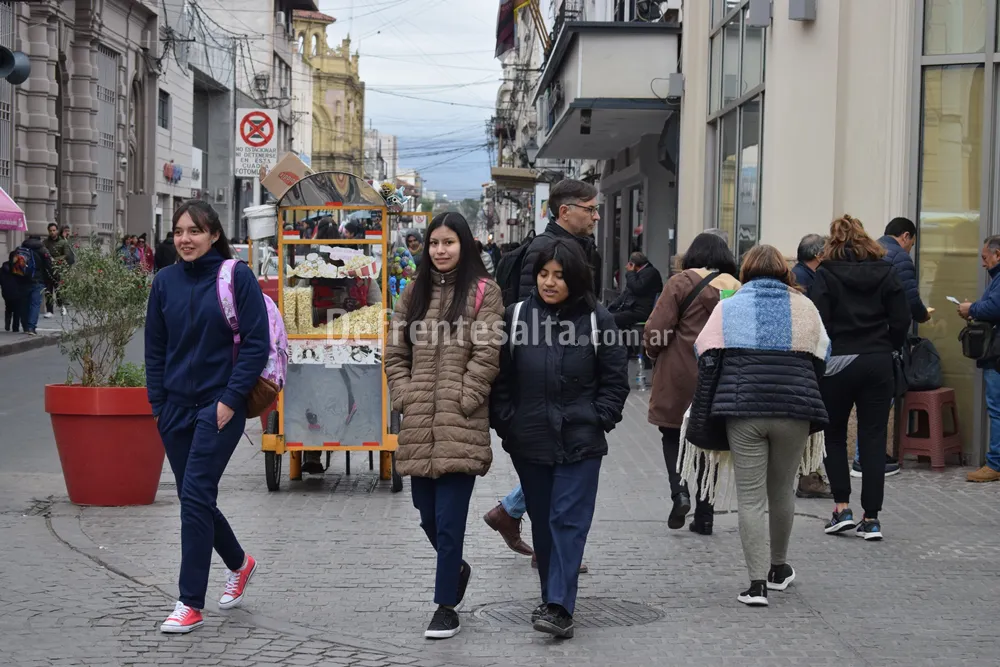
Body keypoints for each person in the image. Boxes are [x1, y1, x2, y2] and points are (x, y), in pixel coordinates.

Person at [490, 239, 629, 638]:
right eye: (544, 274)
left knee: (567, 520)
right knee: (544, 523)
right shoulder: (516, 317)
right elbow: (501, 379)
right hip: (529, 438)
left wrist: (599, 417)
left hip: (581, 439)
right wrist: (508, 423)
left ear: (577, 278)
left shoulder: (600, 321)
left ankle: (558, 606)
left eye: (559, 276)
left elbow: (614, 381)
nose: (549, 282)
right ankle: (552, 597)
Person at [145, 200, 271, 634]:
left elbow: (256, 344)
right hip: (174, 408)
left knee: (196, 495)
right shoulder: (164, 282)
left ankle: (189, 602)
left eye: (194, 231)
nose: (185, 239)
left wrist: (230, 400)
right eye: (178, 232)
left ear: (214, 234)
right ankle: (239, 562)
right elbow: (155, 348)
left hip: (220, 407)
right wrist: (158, 405)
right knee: (194, 498)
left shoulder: (236, 277)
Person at [385, 212, 503, 639]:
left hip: (460, 424)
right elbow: (395, 354)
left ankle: (444, 606)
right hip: (418, 424)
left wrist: (465, 397)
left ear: (465, 245)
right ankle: (456, 568)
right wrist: (404, 396)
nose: (440, 250)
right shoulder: (413, 293)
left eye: (449, 242)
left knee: (450, 521)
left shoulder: (483, 292)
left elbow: (488, 354)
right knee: (426, 516)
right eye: (435, 242)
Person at [690, 245, 830, 606]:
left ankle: (755, 586)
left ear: (747, 271)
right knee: (782, 491)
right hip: (794, 409)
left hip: (744, 409)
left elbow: (703, 350)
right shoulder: (805, 307)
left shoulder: (730, 305)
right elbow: (824, 352)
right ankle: (778, 569)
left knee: (750, 498)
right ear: (785, 271)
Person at [484, 179, 603, 567]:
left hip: (568, 386)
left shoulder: (580, 248)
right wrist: (510, 414)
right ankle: (549, 551)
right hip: (538, 391)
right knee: (551, 469)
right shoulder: (544, 251)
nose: (597, 215)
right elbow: (527, 321)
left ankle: (531, 531)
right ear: (565, 211)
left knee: (561, 467)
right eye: (590, 208)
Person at [811, 214, 910, 541]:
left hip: (839, 360)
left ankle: (842, 508)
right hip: (877, 360)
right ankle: (872, 518)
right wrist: (887, 346)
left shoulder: (825, 273)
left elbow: (818, 320)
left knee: (834, 434)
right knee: (873, 436)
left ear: (833, 241)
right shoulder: (886, 271)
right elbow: (901, 319)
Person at [643, 232, 741, 536]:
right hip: (720, 377)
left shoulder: (681, 282)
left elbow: (657, 329)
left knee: (672, 435)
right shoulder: (737, 288)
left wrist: (651, 351)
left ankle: (679, 492)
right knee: (707, 443)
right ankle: (705, 515)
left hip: (679, 373)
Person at [959, 236, 1000, 482]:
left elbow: (994, 308)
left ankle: (994, 463)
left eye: (985, 258)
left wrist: (971, 308)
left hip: (996, 355)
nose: (983, 263)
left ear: (998, 255)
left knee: (996, 409)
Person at [608, 251, 663, 329]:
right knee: (609, 316)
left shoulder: (650, 272)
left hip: (641, 311)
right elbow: (625, 294)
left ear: (632, 265)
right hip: (633, 308)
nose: (626, 267)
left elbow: (637, 288)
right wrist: (610, 308)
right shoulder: (639, 274)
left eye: (629, 264)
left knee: (612, 319)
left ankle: (613, 340)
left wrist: (630, 272)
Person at [14, 236, 54, 336]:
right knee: (35, 304)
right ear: (39, 240)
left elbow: (13, 264)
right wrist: (50, 278)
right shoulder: (42, 249)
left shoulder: (19, 249)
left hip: (22, 280)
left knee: (24, 304)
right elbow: (49, 265)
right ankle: (31, 328)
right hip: (38, 280)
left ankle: (25, 327)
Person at [43, 222, 73, 318]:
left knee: (59, 290)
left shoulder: (63, 242)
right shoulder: (45, 242)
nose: (52, 232)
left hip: (59, 269)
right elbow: (43, 253)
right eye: (50, 230)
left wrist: (55, 259)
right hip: (48, 269)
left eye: (54, 230)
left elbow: (66, 255)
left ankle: (62, 306)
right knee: (48, 291)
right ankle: (49, 311)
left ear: (57, 231)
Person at [1, 251, 29, 332]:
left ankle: (7, 323)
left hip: (6, 292)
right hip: (17, 291)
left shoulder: (3, 267)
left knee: (9, 308)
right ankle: (15, 328)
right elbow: (25, 278)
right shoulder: (19, 267)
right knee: (17, 310)